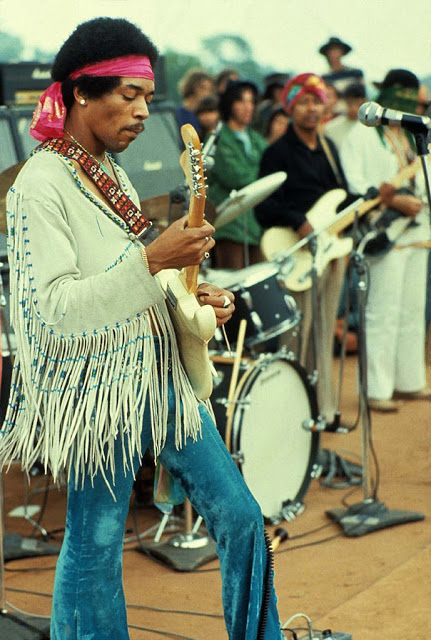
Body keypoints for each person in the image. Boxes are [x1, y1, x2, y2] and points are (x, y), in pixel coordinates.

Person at [0, 18, 284, 640]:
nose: (141, 111)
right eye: (127, 95)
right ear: (79, 92)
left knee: (239, 516)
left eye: (147, 98)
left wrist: (187, 289)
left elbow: (130, 277)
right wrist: (155, 258)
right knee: (96, 542)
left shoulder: (110, 171)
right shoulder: (38, 186)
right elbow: (52, 312)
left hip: (160, 378)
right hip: (96, 395)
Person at [255, 73, 352, 426]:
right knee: (296, 335)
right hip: (295, 253)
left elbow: (341, 196)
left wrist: (372, 199)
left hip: (329, 253)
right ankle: (289, 415)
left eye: (317, 102)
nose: (312, 109)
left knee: (324, 333)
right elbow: (263, 207)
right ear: (291, 107)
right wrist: (298, 221)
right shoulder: (276, 153)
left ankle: (322, 410)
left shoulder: (329, 148)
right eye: (305, 102)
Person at [340, 68, 430, 411]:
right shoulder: (362, 135)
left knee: (411, 311)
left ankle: (409, 381)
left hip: (420, 229)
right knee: (383, 310)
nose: (416, 107)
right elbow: (355, 184)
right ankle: (377, 389)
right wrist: (391, 199)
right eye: (410, 99)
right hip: (384, 231)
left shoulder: (413, 134)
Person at [207, 79, 267, 269]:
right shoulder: (218, 138)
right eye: (241, 101)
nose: (248, 107)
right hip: (230, 226)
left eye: (251, 101)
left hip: (256, 225)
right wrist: (263, 176)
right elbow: (235, 177)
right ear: (230, 104)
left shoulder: (256, 138)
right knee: (232, 286)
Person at [324, 82, 367, 151]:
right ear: (345, 102)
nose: (354, 108)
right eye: (350, 103)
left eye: (358, 104)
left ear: (365, 102)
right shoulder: (330, 128)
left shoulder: (370, 127)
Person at [176, 67, 214, 137]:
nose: (207, 93)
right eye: (203, 88)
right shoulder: (176, 115)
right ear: (192, 87)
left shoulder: (205, 117)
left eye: (210, 90)